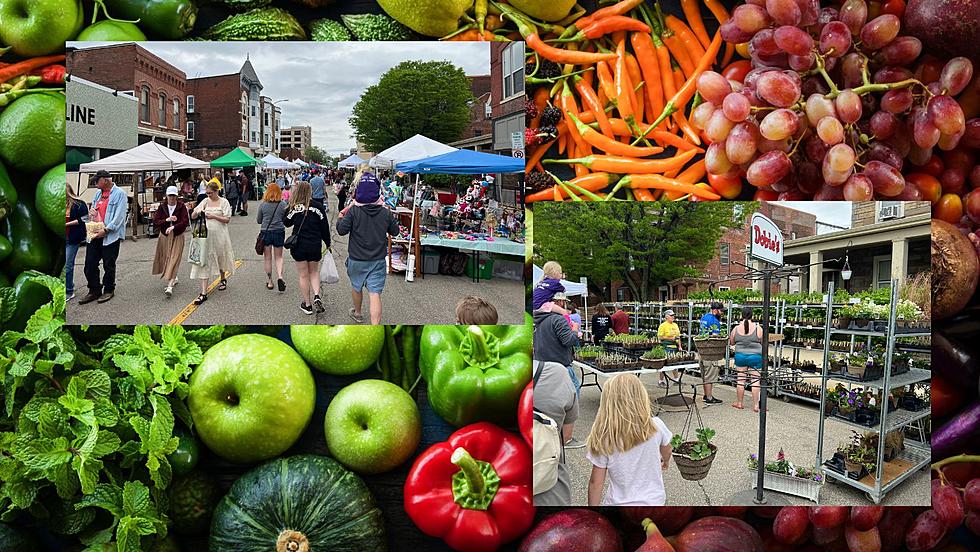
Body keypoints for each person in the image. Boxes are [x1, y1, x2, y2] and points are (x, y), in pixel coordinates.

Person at [585, 374, 673, 506]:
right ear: (641, 397)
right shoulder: (656, 426)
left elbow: (596, 483)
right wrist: (665, 461)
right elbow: (667, 448)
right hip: (653, 501)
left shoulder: (604, 436)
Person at [336, 171, 399, 324]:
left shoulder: (354, 211)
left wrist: (340, 216)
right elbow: (395, 232)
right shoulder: (385, 212)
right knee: (375, 293)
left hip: (356, 259)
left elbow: (341, 230)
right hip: (377, 259)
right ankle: (375, 325)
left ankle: (357, 313)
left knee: (356, 286)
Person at [532, 307, 580, 506]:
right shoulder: (559, 320)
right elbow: (569, 341)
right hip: (547, 486)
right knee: (573, 389)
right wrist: (575, 330)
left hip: (544, 364)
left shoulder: (539, 322)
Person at [78, 171, 128, 305]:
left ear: (105, 180)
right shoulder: (97, 194)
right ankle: (94, 290)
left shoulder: (120, 194)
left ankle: (109, 289)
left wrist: (106, 230)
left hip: (110, 236)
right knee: (89, 264)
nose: (95, 183)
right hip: (95, 234)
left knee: (108, 265)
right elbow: (94, 212)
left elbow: (119, 217)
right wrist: (91, 212)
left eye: (97, 181)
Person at [283, 180, 332, 315]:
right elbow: (324, 228)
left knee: (303, 275)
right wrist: (328, 243)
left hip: (299, 245)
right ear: (310, 191)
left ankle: (308, 304)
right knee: (314, 272)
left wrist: (290, 205)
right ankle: (317, 295)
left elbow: (286, 222)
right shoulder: (318, 206)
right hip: (314, 244)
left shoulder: (294, 207)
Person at [189, 182, 235, 305]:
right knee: (205, 261)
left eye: (210, 193)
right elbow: (193, 215)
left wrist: (214, 216)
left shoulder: (224, 202)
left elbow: (227, 219)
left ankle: (223, 278)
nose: (208, 195)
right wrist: (197, 211)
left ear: (216, 191)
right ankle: (203, 292)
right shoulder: (205, 201)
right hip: (206, 237)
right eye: (207, 193)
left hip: (220, 235)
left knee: (220, 257)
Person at [151, 186, 189, 297]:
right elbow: (156, 221)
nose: (172, 198)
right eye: (170, 196)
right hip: (164, 236)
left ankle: (170, 286)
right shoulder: (162, 207)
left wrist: (174, 227)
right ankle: (174, 277)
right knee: (165, 257)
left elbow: (185, 221)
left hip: (177, 235)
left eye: (174, 196)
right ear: (166, 196)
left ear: (177, 196)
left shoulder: (181, 207)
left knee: (174, 258)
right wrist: (167, 220)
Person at [730, 306, 765, 412]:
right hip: (755, 357)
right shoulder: (758, 328)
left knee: (740, 380)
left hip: (740, 356)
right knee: (755, 381)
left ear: (742, 315)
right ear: (752, 315)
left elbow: (731, 342)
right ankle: (755, 405)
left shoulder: (736, 328)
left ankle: (740, 403)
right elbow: (763, 342)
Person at [256, 183, 287, 292]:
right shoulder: (283, 204)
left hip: (266, 232)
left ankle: (269, 281)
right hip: (279, 231)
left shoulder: (263, 205)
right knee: (279, 257)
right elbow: (286, 219)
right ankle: (280, 277)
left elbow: (259, 220)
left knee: (267, 258)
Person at [698, 302, 725, 406]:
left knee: (705, 374)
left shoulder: (704, 317)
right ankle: (709, 398)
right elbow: (715, 338)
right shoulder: (715, 321)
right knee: (710, 374)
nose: (722, 313)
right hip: (710, 351)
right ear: (715, 310)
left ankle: (706, 395)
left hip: (702, 349)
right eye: (721, 311)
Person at [65, 182, 87, 301]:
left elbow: (84, 218)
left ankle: (69, 291)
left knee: (68, 265)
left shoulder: (79, 204)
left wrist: (67, 223)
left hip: (72, 238)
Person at [656, 310, 683, 388]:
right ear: (666, 317)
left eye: (673, 315)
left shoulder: (675, 325)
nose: (673, 317)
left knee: (674, 364)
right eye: (671, 316)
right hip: (666, 347)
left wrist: (680, 346)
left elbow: (678, 337)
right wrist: (670, 338)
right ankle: (660, 381)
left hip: (675, 347)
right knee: (664, 365)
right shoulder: (663, 325)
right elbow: (660, 337)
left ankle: (676, 380)